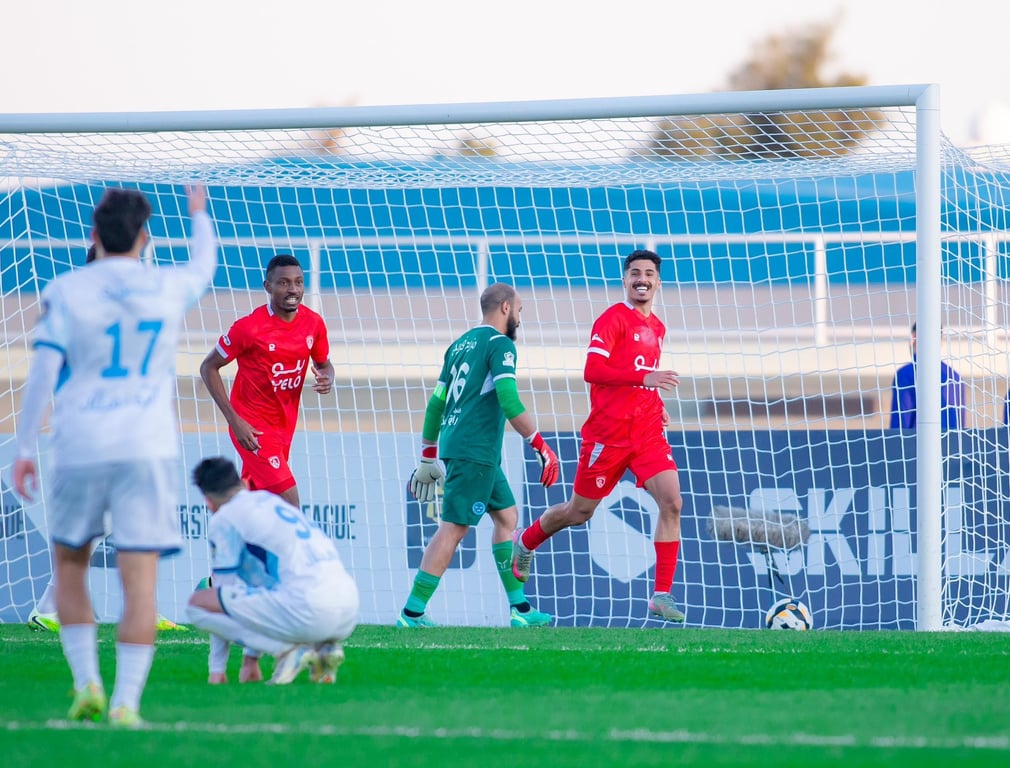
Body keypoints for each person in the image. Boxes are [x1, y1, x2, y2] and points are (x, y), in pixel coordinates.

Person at [11, 185, 217, 726]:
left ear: (94, 234)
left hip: (80, 444)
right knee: (139, 580)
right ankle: (126, 703)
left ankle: (87, 685)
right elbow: (204, 264)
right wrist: (198, 214)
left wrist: (24, 446)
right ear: (145, 237)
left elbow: (42, 373)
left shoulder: (66, 289)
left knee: (70, 566)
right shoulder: (166, 285)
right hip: (146, 448)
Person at [511, 249, 687, 623]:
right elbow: (593, 370)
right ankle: (526, 541)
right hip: (608, 437)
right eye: (635, 272)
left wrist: (654, 400)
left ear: (658, 282)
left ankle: (661, 595)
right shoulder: (612, 319)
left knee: (672, 502)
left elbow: (643, 373)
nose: (642, 279)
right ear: (625, 280)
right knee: (579, 512)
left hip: (647, 434)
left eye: (649, 273)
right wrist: (645, 379)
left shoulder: (658, 327)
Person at [27, 244, 185, 635]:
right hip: (97, 441)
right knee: (101, 528)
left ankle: (136, 607)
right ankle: (49, 607)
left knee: (125, 526)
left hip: (122, 439)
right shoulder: (83, 313)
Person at [399, 282, 560, 628]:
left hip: (468, 447)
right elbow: (509, 399)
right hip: (475, 450)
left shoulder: (459, 345)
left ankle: (520, 610)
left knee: (507, 517)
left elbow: (437, 404)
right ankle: (412, 612)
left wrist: (428, 456)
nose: (520, 318)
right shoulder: (500, 345)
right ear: (505, 308)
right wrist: (540, 444)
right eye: (519, 310)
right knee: (454, 529)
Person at [187, 456, 358, 685]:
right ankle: (323, 649)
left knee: (198, 603)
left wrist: (217, 669)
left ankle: (286, 650)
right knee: (274, 592)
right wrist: (250, 661)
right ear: (243, 484)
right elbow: (261, 586)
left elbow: (222, 597)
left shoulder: (225, 519)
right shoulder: (271, 501)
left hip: (309, 610)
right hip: (348, 609)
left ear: (209, 502)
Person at [199, 254, 334, 508]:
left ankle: (225, 527)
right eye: (283, 283)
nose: (293, 289)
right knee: (289, 504)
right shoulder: (249, 328)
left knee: (255, 502)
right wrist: (234, 421)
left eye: (298, 282)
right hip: (252, 429)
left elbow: (324, 364)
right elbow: (208, 367)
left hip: (284, 428)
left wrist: (328, 378)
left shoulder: (313, 324)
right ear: (268, 286)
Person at [888, 322, 966, 430]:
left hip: (917, 440)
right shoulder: (955, 377)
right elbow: (959, 426)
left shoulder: (905, 374)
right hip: (950, 440)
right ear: (940, 341)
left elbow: (901, 424)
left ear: (914, 338)